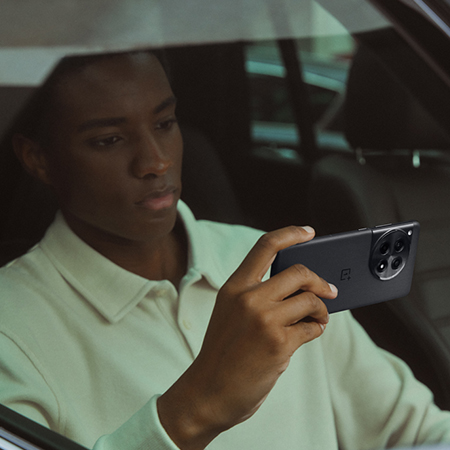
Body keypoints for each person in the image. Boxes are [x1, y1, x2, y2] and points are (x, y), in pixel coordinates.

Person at [0, 50, 450, 450]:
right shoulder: (12, 330)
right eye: (109, 140)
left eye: (165, 123)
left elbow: (416, 430)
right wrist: (197, 408)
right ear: (37, 159)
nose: (155, 160)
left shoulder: (274, 266)